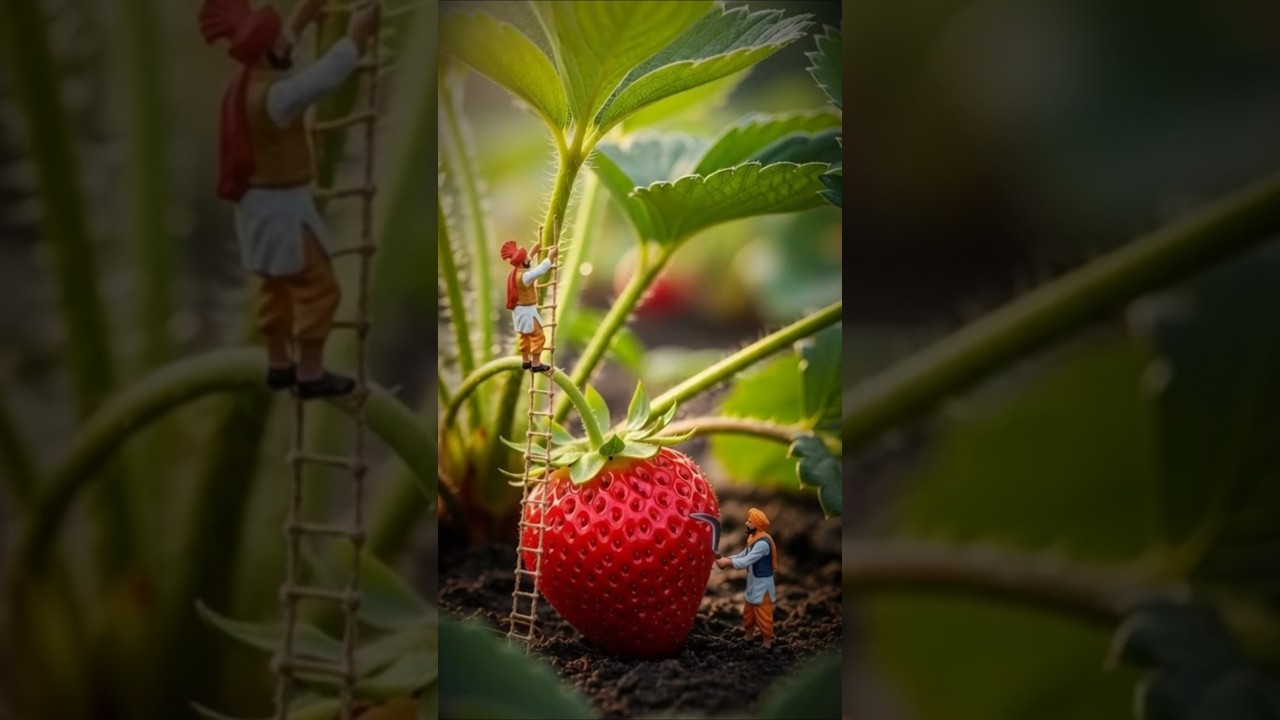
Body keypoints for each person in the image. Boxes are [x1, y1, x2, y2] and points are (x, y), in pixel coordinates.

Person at [198, 0, 380, 399]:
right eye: (277, 36)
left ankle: (279, 364)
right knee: (318, 286)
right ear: (266, 50)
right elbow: (322, 79)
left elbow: (284, 44)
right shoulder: (275, 97)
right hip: (282, 208)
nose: (286, 39)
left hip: (254, 207)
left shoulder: (244, 83)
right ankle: (310, 372)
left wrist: (306, 12)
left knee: (273, 286)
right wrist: (356, 38)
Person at [715, 507, 779, 649]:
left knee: (763, 614)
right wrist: (726, 559)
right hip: (753, 581)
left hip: (762, 584)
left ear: (757, 525)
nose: (746, 523)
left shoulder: (762, 544)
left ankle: (767, 644)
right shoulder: (753, 539)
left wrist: (727, 562)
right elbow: (742, 555)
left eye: (750, 521)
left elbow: (746, 561)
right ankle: (748, 637)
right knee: (748, 613)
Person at [500, 235, 559, 372]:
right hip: (526, 312)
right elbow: (539, 271)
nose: (528, 258)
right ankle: (536, 364)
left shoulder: (515, 272)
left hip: (518, 312)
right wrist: (550, 257)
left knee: (524, 336)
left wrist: (533, 251)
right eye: (526, 257)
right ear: (521, 262)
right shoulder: (525, 277)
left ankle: (526, 361)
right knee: (538, 336)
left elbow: (526, 262)